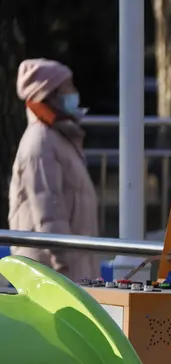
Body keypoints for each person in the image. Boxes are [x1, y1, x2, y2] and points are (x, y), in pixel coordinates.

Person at [8, 59, 100, 282]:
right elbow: (49, 213)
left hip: (67, 272)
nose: (74, 93)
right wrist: (66, 267)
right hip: (52, 275)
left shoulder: (58, 138)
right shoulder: (40, 143)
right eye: (68, 87)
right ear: (49, 93)